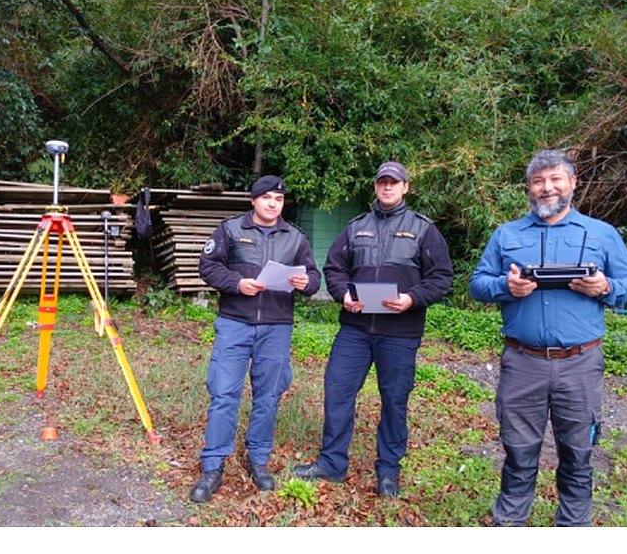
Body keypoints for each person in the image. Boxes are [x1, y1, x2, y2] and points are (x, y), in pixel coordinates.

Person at [470, 149, 627, 526]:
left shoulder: (601, 234)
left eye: (555, 179)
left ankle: (573, 528)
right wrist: (505, 287)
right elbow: (477, 284)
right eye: (538, 181)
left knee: (578, 453)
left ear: (573, 183)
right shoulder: (507, 235)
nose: (546, 188)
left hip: (580, 364)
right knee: (518, 451)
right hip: (522, 363)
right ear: (529, 188)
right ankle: (509, 525)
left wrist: (605, 287)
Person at [293, 161, 454, 497]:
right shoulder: (357, 227)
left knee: (394, 400)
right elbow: (334, 268)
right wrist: (343, 294)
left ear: (405, 187)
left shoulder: (423, 229)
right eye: (382, 182)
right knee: (337, 392)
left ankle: (388, 471)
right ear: (376, 186)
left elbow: (441, 277)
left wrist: (412, 298)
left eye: (394, 182)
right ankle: (332, 463)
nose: (387, 187)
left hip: (400, 332)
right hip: (355, 330)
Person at [189, 175, 321, 503]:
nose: (273, 203)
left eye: (279, 199)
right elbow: (208, 266)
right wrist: (237, 283)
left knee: (268, 397)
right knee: (224, 395)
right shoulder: (231, 230)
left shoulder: (295, 237)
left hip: (276, 328)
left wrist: (306, 284)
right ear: (254, 200)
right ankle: (213, 465)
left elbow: (314, 277)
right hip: (235, 324)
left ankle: (258, 460)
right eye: (267, 198)